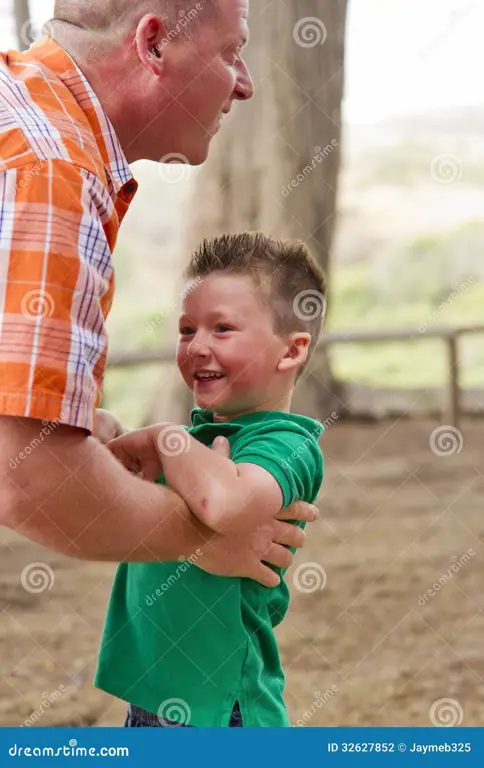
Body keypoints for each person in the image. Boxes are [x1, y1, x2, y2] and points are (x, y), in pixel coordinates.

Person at [0, 1, 317, 584]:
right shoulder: (54, 172)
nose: (244, 84)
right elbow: (26, 477)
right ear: (153, 45)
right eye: (232, 52)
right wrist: (205, 538)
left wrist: (80, 434)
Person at [95, 232, 327, 727]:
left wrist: (162, 439)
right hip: (154, 696)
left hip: (223, 708)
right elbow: (143, 487)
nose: (197, 346)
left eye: (222, 329)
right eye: (185, 329)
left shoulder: (287, 444)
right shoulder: (196, 440)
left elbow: (224, 504)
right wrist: (106, 438)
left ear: (291, 352)